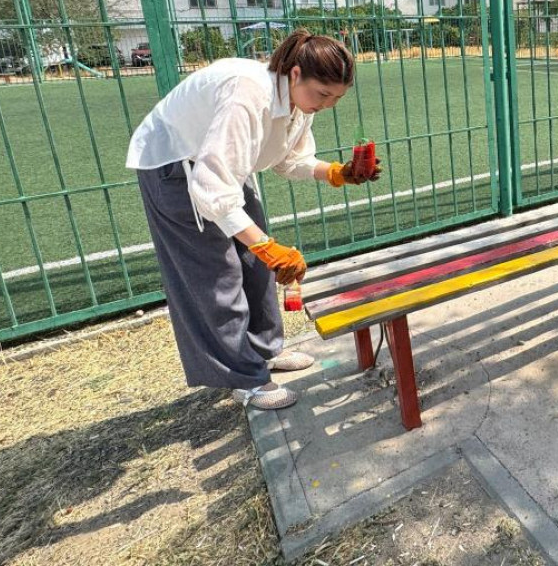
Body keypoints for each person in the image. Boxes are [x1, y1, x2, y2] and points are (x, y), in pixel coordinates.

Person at [127, 30, 382, 410]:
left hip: (221, 168)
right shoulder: (248, 93)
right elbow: (210, 186)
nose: (327, 105)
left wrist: (335, 172)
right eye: (322, 94)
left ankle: (262, 353)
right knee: (218, 274)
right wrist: (265, 245)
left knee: (255, 265)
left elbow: (288, 159)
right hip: (176, 165)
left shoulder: (297, 102)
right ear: (295, 74)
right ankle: (245, 379)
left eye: (337, 98)